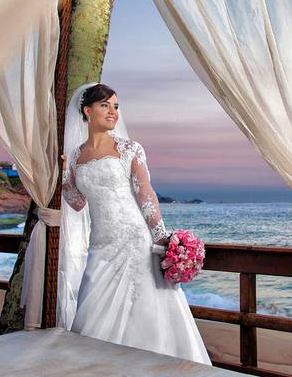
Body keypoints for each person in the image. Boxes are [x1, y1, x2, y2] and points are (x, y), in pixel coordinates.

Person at [59, 82, 210, 365]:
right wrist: (64, 177)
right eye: (105, 105)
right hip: (101, 245)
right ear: (86, 111)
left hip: (135, 241)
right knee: (94, 309)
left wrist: (162, 238)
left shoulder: (129, 148)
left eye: (116, 106)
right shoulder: (77, 157)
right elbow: (78, 202)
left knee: (148, 309)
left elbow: (146, 194)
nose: (113, 112)